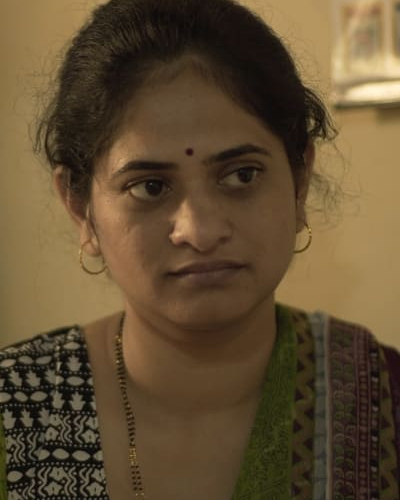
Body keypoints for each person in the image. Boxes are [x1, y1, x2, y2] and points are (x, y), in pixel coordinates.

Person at [1, 0, 399, 498]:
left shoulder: (384, 397)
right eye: (149, 187)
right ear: (80, 208)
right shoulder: (15, 406)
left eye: (242, 176)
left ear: (299, 183)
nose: (201, 230)